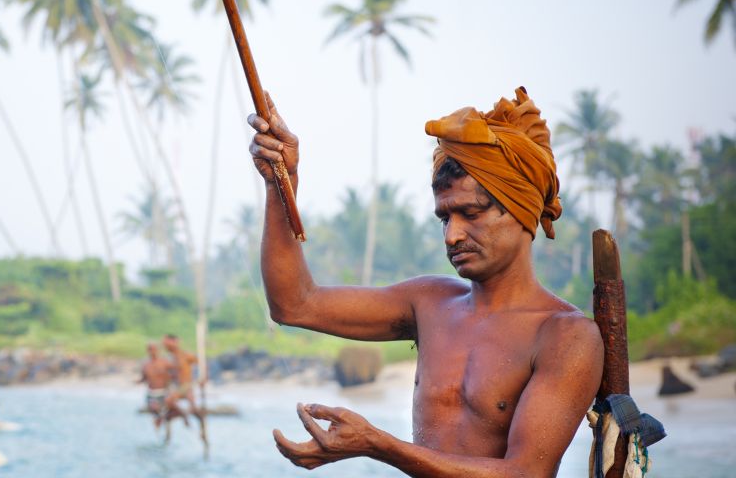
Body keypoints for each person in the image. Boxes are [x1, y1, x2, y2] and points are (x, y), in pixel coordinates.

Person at [246, 87, 603, 476]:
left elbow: (526, 473)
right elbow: (294, 304)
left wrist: (378, 444)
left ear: (521, 212)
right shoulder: (430, 302)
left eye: (471, 213)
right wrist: (281, 180)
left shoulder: (566, 337)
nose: (452, 235)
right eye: (444, 218)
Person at [162, 334, 200, 422]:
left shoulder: (185, 355)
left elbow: (201, 363)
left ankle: (184, 415)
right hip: (174, 386)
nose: (165, 346)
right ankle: (182, 415)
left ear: (175, 342)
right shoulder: (169, 357)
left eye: (167, 343)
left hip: (185, 386)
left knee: (168, 401)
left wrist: (203, 378)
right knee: (166, 405)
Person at [138, 342, 175, 430]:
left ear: (158, 350)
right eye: (150, 349)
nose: (152, 352)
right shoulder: (146, 365)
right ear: (148, 351)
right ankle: (159, 420)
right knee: (154, 409)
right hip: (151, 393)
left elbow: (174, 373)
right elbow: (144, 378)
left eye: (154, 349)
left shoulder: (165, 362)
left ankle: (162, 420)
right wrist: (136, 382)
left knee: (165, 409)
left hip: (163, 392)